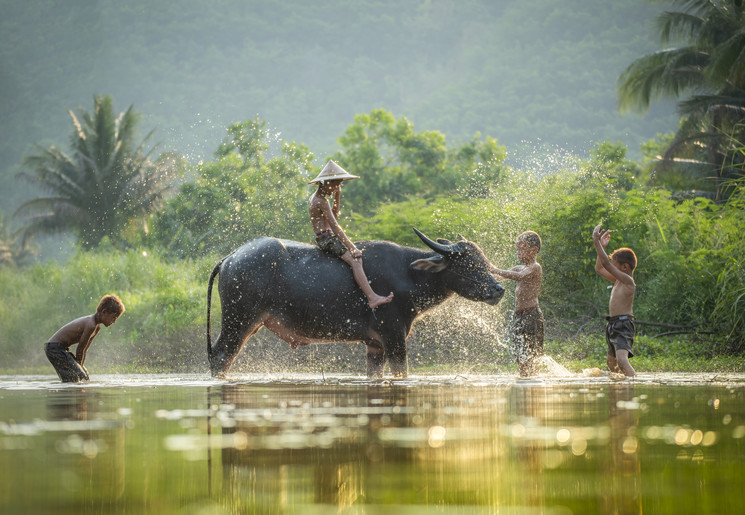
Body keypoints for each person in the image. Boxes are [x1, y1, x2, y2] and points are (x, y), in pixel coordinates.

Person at [308, 160, 394, 309]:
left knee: (356, 255)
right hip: (327, 239)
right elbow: (335, 227)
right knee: (355, 260)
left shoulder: (317, 198)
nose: (336, 188)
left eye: (339, 185)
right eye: (335, 184)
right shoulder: (321, 201)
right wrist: (352, 247)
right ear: (325, 182)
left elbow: (334, 217)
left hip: (326, 237)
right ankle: (372, 297)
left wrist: (337, 196)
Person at [488, 231, 544, 377]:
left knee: (530, 355)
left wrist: (494, 268)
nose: (518, 252)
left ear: (534, 250)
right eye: (517, 249)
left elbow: (518, 277)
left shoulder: (535, 267)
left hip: (532, 316)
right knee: (519, 354)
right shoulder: (518, 268)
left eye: (522, 248)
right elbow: (498, 277)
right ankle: (525, 378)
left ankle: (531, 380)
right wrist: (484, 272)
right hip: (519, 316)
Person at [44, 294, 125, 382]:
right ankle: (66, 394)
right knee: (75, 377)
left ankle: (73, 391)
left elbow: (85, 349)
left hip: (60, 349)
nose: (114, 322)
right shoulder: (91, 325)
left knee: (84, 375)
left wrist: (80, 367)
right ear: (104, 312)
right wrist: (79, 368)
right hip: (54, 348)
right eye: (113, 318)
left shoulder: (96, 328)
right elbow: (80, 349)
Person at [592, 223, 637, 377]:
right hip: (614, 323)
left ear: (624, 267)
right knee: (612, 364)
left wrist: (596, 242)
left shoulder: (627, 281)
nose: (611, 266)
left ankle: (634, 383)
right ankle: (620, 388)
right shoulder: (618, 280)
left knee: (622, 361)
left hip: (624, 324)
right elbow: (600, 268)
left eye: (614, 265)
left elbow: (605, 264)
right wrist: (602, 248)